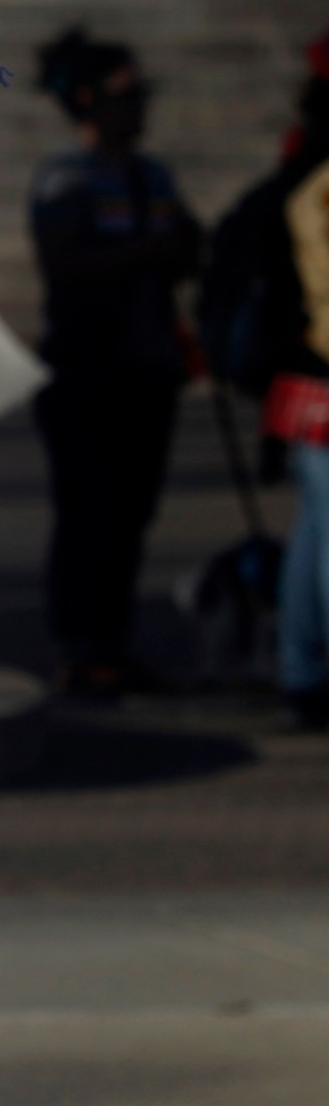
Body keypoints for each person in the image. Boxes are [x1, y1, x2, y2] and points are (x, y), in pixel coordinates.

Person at [25, 28, 202, 697]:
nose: (140, 108)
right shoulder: (65, 178)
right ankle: (78, 645)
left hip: (147, 367)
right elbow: (63, 265)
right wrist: (150, 256)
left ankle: (113, 641)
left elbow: (186, 245)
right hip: (85, 370)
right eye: (128, 96)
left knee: (130, 513)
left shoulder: (153, 174)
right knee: (85, 513)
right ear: (90, 102)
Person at [268, 36, 329, 728]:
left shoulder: (302, 171)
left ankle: (301, 665)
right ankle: (306, 666)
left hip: (308, 370)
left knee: (316, 526)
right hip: (321, 369)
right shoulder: (318, 184)